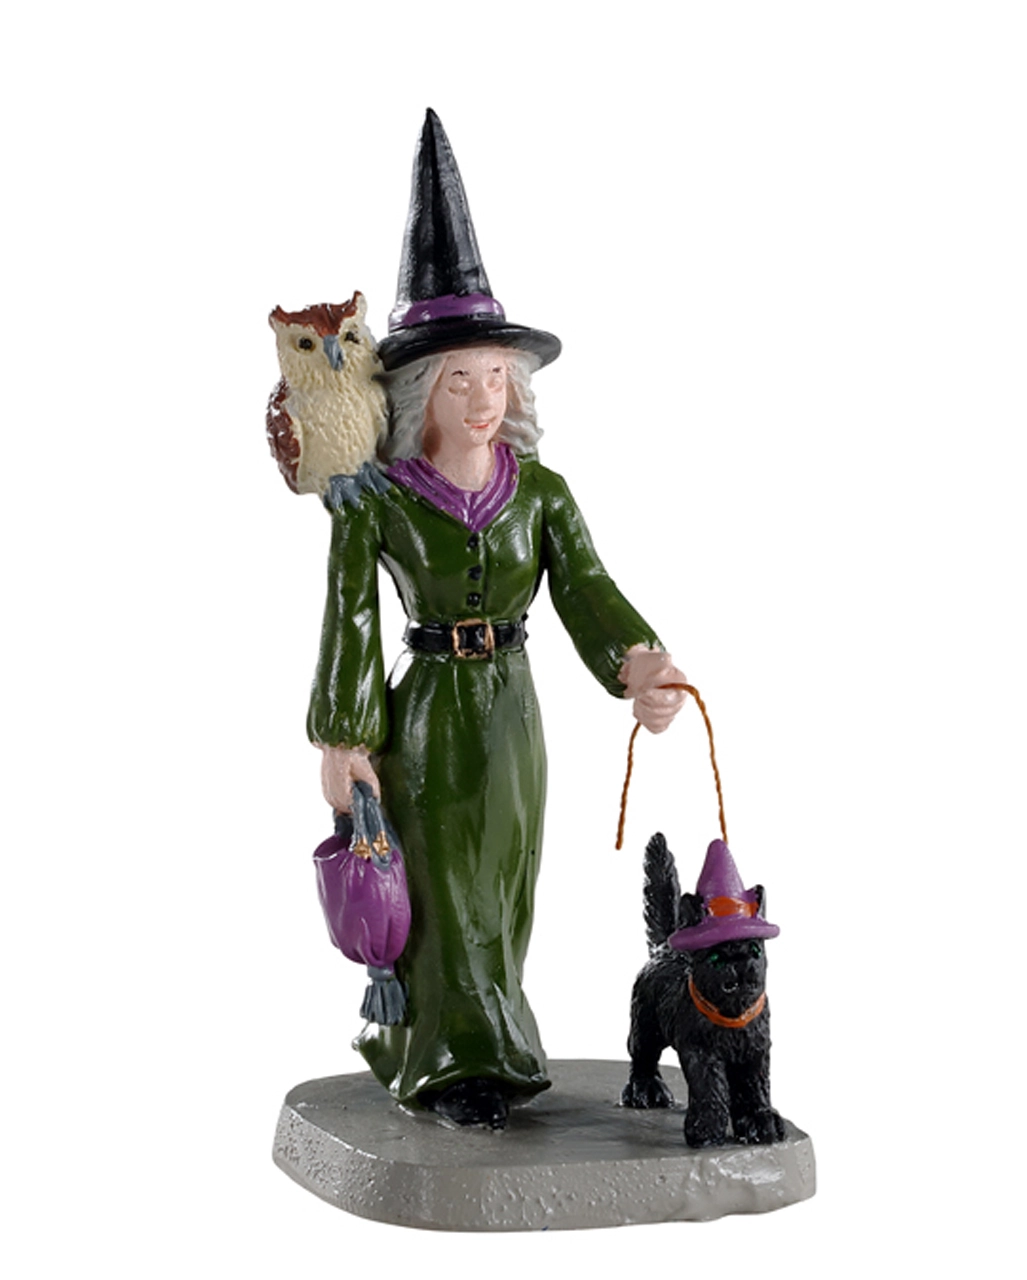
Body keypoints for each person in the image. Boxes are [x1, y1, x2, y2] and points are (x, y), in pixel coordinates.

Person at [308, 111, 686, 1128]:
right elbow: (349, 618)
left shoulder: (542, 493)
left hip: (513, 713)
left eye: (494, 375)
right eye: (459, 377)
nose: (482, 396)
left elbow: (587, 589)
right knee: (441, 889)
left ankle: (499, 1046)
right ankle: (446, 1060)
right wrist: (344, 738)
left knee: (506, 881)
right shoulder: (379, 502)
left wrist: (639, 665)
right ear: (420, 389)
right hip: (428, 716)